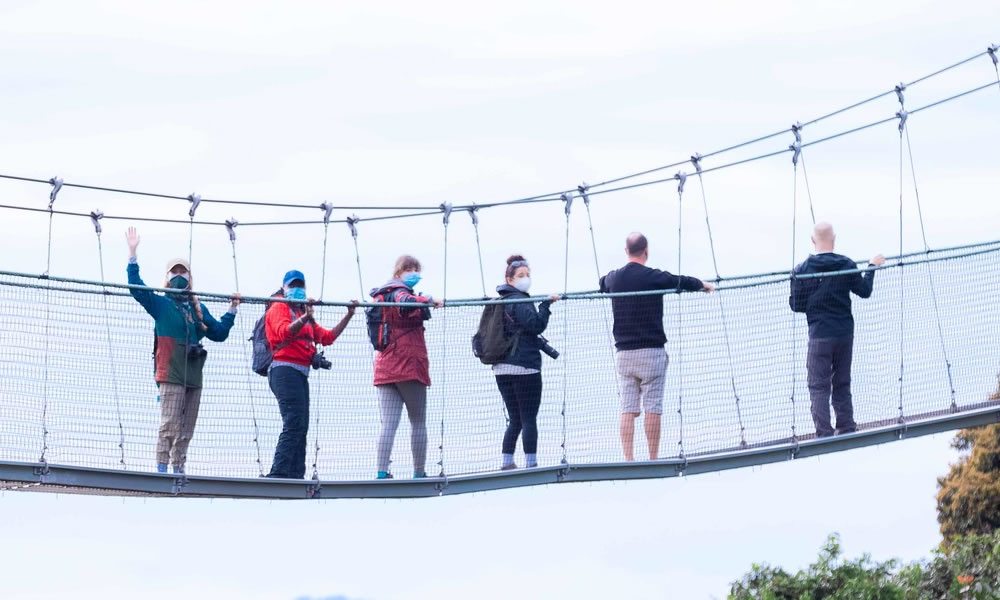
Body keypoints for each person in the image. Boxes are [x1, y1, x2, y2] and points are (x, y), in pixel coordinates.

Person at [125, 226, 240, 474]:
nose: (179, 275)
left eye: (183, 271)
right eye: (174, 271)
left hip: (193, 375)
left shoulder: (197, 308)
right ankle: (162, 468)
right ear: (167, 276)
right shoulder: (161, 303)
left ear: (189, 276)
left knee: (187, 427)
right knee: (169, 424)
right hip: (170, 372)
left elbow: (218, 333)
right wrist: (132, 254)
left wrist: (232, 310)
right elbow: (135, 287)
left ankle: (179, 467)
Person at [599, 232, 714, 461]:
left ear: (626, 251)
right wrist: (703, 285)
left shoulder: (614, 278)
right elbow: (681, 281)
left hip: (624, 353)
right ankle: (653, 458)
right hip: (652, 352)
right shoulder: (653, 276)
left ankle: (628, 459)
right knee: (653, 406)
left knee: (627, 408)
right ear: (646, 251)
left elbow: (602, 282)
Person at [790, 222, 885, 438]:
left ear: (813, 240)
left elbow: (796, 305)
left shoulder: (801, 270)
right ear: (835, 239)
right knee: (841, 382)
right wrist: (871, 267)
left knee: (818, 386)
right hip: (844, 333)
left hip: (819, 335)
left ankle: (824, 432)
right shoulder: (846, 263)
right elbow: (864, 291)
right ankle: (846, 426)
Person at [265, 270, 357, 479]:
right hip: (284, 369)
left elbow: (327, 337)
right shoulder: (279, 307)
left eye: (301, 285)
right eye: (293, 285)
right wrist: (306, 316)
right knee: (294, 421)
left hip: (300, 373)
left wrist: (348, 315)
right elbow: (284, 332)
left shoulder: (302, 312)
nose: (297, 289)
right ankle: (278, 472)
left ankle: (296, 473)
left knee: (301, 424)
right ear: (284, 287)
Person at [370, 255, 442, 479]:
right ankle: (419, 472)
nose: (414, 273)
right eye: (409, 269)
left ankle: (382, 472)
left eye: (416, 269)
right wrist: (426, 300)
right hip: (409, 365)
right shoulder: (401, 292)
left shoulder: (380, 296)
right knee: (418, 421)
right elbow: (404, 302)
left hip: (384, 366)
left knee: (388, 424)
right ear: (398, 273)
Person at [494, 255, 559, 471]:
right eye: (521, 275)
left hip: (501, 368)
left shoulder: (500, 301)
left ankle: (507, 461)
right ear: (509, 278)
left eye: (528, 275)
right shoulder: (520, 300)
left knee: (515, 418)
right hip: (525, 367)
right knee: (529, 417)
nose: (526, 279)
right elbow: (536, 325)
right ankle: (531, 464)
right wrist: (546, 306)